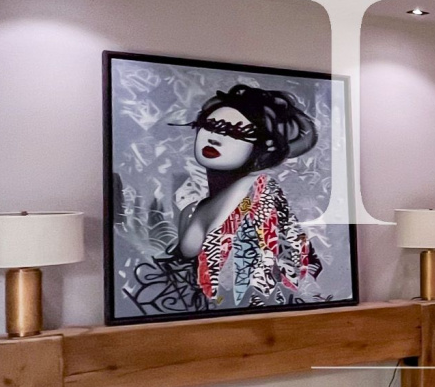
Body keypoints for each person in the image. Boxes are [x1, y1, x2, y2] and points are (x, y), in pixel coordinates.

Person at [124, 84, 325, 313]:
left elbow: (261, 289)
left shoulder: (257, 195)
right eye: (211, 126)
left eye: (236, 133)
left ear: (263, 148)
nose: (215, 139)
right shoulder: (196, 203)